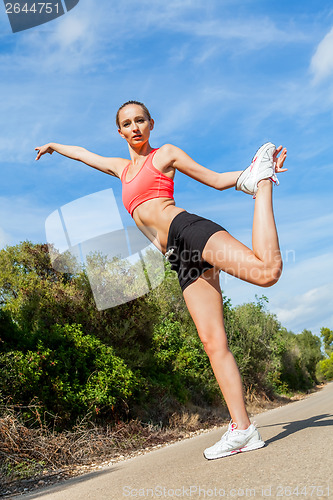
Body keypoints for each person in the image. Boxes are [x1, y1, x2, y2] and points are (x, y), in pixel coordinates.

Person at [35, 100, 287, 459]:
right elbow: (83, 154)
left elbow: (215, 180)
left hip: (186, 229)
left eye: (140, 120)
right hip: (179, 257)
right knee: (213, 344)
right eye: (127, 123)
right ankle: (243, 429)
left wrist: (252, 175)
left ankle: (263, 185)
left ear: (151, 124)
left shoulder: (164, 155)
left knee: (266, 273)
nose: (135, 127)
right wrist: (54, 146)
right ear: (119, 131)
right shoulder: (121, 169)